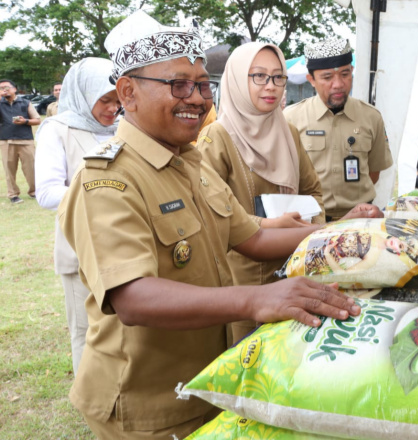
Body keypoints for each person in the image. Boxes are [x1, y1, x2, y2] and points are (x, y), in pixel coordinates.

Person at [58, 11, 362, 439]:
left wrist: (342, 230)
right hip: (148, 402)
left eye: (202, 85)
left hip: (207, 383)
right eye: (178, 85)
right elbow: (133, 297)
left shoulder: (190, 164)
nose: (197, 98)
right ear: (127, 92)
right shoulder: (107, 180)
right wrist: (256, 300)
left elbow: (254, 237)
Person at [197, 42, 328, 343]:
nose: (271, 87)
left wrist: (306, 221)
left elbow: (312, 191)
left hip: (292, 268)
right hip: (243, 281)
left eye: (277, 77)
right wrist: (268, 226)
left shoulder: (288, 132)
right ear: (237, 80)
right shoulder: (217, 138)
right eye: (258, 76)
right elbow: (210, 213)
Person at [35, 58, 120, 376]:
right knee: (86, 333)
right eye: (105, 99)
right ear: (83, 94)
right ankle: (92, 402)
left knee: (119, 329)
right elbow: (46, 193)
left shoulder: (121, 129)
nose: (114, 108)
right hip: (80, 250)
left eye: (118, 99)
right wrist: (104, 191)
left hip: (121, 244)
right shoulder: (57, 130)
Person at [284, 36, 393, 221]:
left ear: (352, 71)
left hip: (360, 221)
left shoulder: (371, 117)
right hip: (310, 222)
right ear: (311, 79)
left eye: (345, 74)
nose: (338, 84)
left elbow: (374, 172)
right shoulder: (291, 118)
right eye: (327, 77)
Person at [0, 78, 40, 204]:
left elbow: (37, 120)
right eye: (1, 88)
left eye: (6, 87)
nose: (4, 90)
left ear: (14, 89)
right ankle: (13, 194)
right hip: (6, 141)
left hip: (25, 141)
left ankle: (34, 191)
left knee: (31, 168)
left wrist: (25, 121)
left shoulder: (25, 102)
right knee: (9, 170)